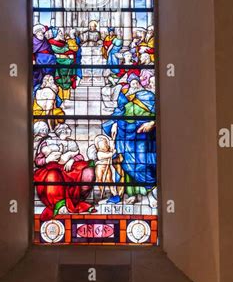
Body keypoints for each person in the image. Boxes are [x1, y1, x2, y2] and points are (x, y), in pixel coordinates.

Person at [102, 73, 156, 205]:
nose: (134, 85)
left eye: (136, 83)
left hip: (142, 135)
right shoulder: (129, 96)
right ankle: (134, 194)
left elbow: (160, 113)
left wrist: (152, 123)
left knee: (142, 162)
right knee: (126, 162)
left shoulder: (150, 96)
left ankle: (151, 190)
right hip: (125, 134)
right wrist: (114, 123)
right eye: (132, 83)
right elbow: (120, 111)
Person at [34, 124, 95, 220]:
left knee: (87, 171)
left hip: (68, 170)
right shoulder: (47, 142)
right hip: (51, 170)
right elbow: (38, 161)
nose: (68, 130)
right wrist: (47, 159)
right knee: (53, 175)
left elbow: (80, 157)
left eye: (68, 129)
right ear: (60, 131)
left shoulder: (72, 143)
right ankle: (60, 204)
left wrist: (72, 160)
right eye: (66, 129)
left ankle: (76, 200)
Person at [32, 24, 56, 88]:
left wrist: (52, 55)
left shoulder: (45, 40)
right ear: (36, 33)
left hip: (49, 59)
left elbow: (50, 49)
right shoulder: (33, 41)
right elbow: (31, 52)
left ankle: (49, 84)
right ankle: (39, 86)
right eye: (39, 32)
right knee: (38, 74)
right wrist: (33, 60)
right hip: (39, 59)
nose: (40, 33)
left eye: (41, 32)